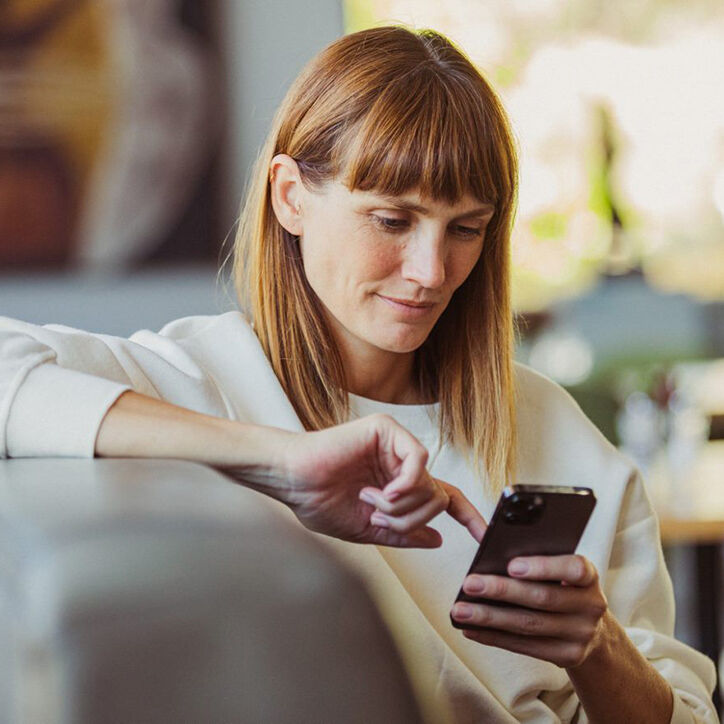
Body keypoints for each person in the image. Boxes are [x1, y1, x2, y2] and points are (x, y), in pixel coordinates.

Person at [0, 24, 718, 724]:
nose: (432, 272)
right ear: (290, 197)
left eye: (465, 229)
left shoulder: (558, 434)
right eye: (392, 220)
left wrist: (597, 650)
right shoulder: (196, 382)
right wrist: (282, 460)